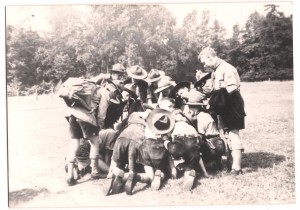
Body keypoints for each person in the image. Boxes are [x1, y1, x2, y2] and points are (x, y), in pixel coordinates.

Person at [64, 63, 126, 186]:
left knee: (74, 143)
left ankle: (69, 175)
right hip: (86, 118)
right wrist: (99, 127)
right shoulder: (106, 92)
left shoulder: (90, 87)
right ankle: (95, 171)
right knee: (95, 143)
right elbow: (102, 114)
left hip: (73, 114)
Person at [198, 47, 246, 175]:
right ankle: (231, 162)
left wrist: (215, 101)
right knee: (226, 134)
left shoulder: (227, 68)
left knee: (234, 134)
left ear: (210, 57)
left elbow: (232, 88)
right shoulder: (216, 70)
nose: (204, 65)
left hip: (232, 105)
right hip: (224, 105)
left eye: (204, 62)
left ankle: (237, 168)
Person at [182, 91, 226, 173]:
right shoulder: (204, 114)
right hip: (216, 142)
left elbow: (200, 136)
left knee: (191, 146)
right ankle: (214, 162)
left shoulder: (201, 117)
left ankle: (203, 165)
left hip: (213, 144)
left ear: (194, 108)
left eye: (190, 107)